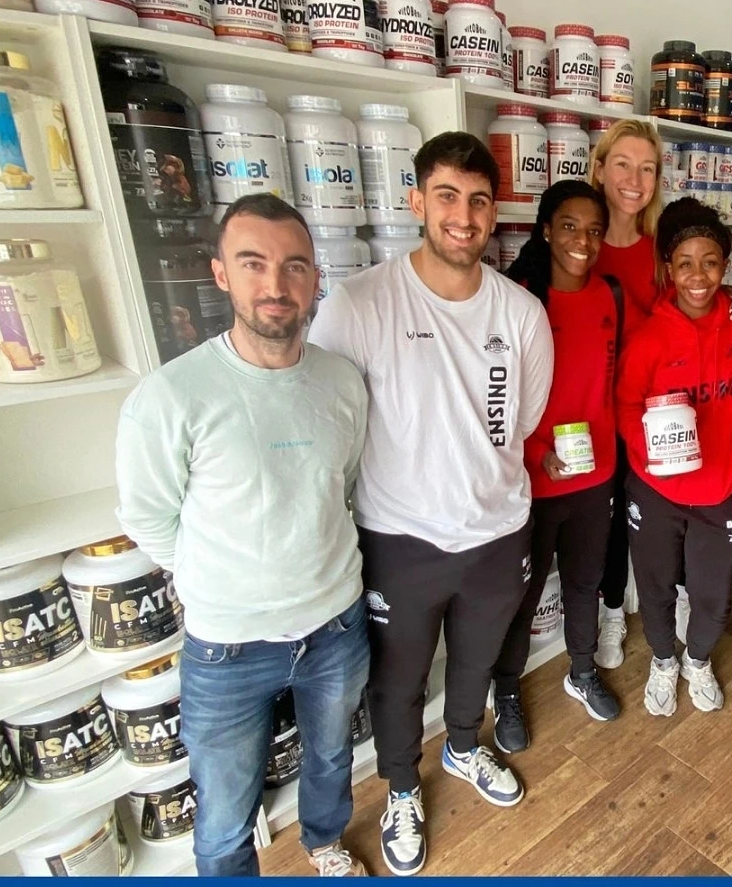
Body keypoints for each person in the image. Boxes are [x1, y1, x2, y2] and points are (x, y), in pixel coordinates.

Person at [307, 132, 553, 876]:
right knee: (398, 679)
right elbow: (328, 420)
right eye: (445, 195)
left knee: (474, 664)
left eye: (478, 200)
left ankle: (465, 744)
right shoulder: (358, 303)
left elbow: (527, 417)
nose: (463, 215)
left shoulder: (519, 313)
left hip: (497, 532)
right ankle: (404, 789)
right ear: (415, 200)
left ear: (493, 213)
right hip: (399, 539)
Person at [115, 193, 369, 877]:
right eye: (253, 263)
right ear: (220, 273)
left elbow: (340, 484)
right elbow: (147, 516)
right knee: (225, 810)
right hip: (225, 645)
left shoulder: (342, 381)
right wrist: (221, 578)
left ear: (316, 279)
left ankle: (323, 840)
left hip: (334, 628)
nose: (275, 285)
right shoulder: (172, 395)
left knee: (331, 757)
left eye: (294, 266)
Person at [491, 180, 622, 753]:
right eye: (570, 227)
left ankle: (583, 668)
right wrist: (533, 450)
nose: (584, 242)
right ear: (546, 230)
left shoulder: (610, 295)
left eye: (595, 230)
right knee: (519, 592)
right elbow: (497, 397)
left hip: (596, 475)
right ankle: (507, 688)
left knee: (584, 581)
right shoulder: (519, 297)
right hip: (533, 477)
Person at [616, 197, 732, 717]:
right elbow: (627, 402)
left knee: (714, 593)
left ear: (725, 266)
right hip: (657, 490)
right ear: (669, 270)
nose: (699, 275)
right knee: (656, 588)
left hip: (717, 490)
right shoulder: (650, 338)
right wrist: (647, 458)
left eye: (711, 262)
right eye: (686, 263)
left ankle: (697, 659)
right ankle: (664, 660)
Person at [586, 119, 664, 669]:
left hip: (648, 415)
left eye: (648, 168)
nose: (635, 179)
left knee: (659, 515)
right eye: (623, 164)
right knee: (609, 525)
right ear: (600, 169)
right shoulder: (576, 244)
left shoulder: (662, 252)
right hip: (588, 415)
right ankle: (611, 611)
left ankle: (674, 602)